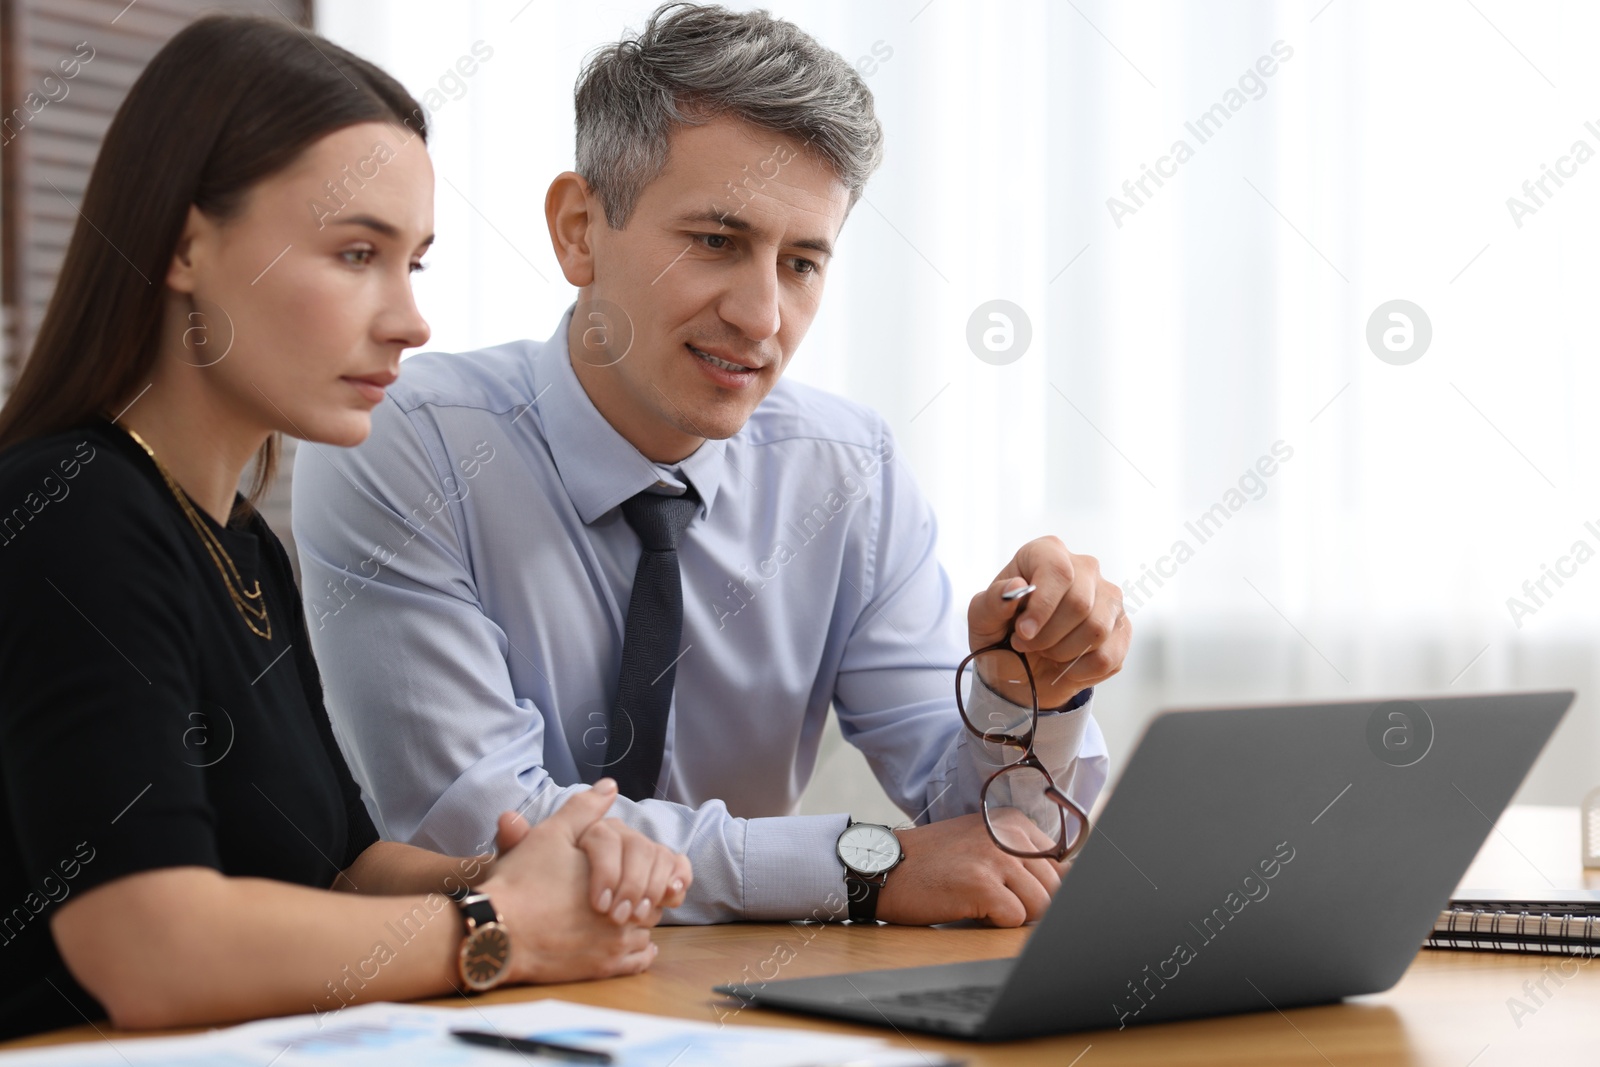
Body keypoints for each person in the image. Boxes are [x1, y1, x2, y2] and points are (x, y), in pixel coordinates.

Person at [294, 2, 1131, 928]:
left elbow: (985, 845)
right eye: (717, 242)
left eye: (803, 262)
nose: (763, 317)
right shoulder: (406, 444)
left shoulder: (848, 475)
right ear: (579, 228)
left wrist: (1021, 692)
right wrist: (863, 867)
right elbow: (489, 831)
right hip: (459, 1002)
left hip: (738, 1012)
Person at [0, 15, 689, 1042]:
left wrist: (533, 869)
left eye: (413, 262)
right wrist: (496, 925)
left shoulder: (239, 540)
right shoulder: (69, 512)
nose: (410, 318)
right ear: (187, 245)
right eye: (357, 251)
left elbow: (338, 866)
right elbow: (148, 945)